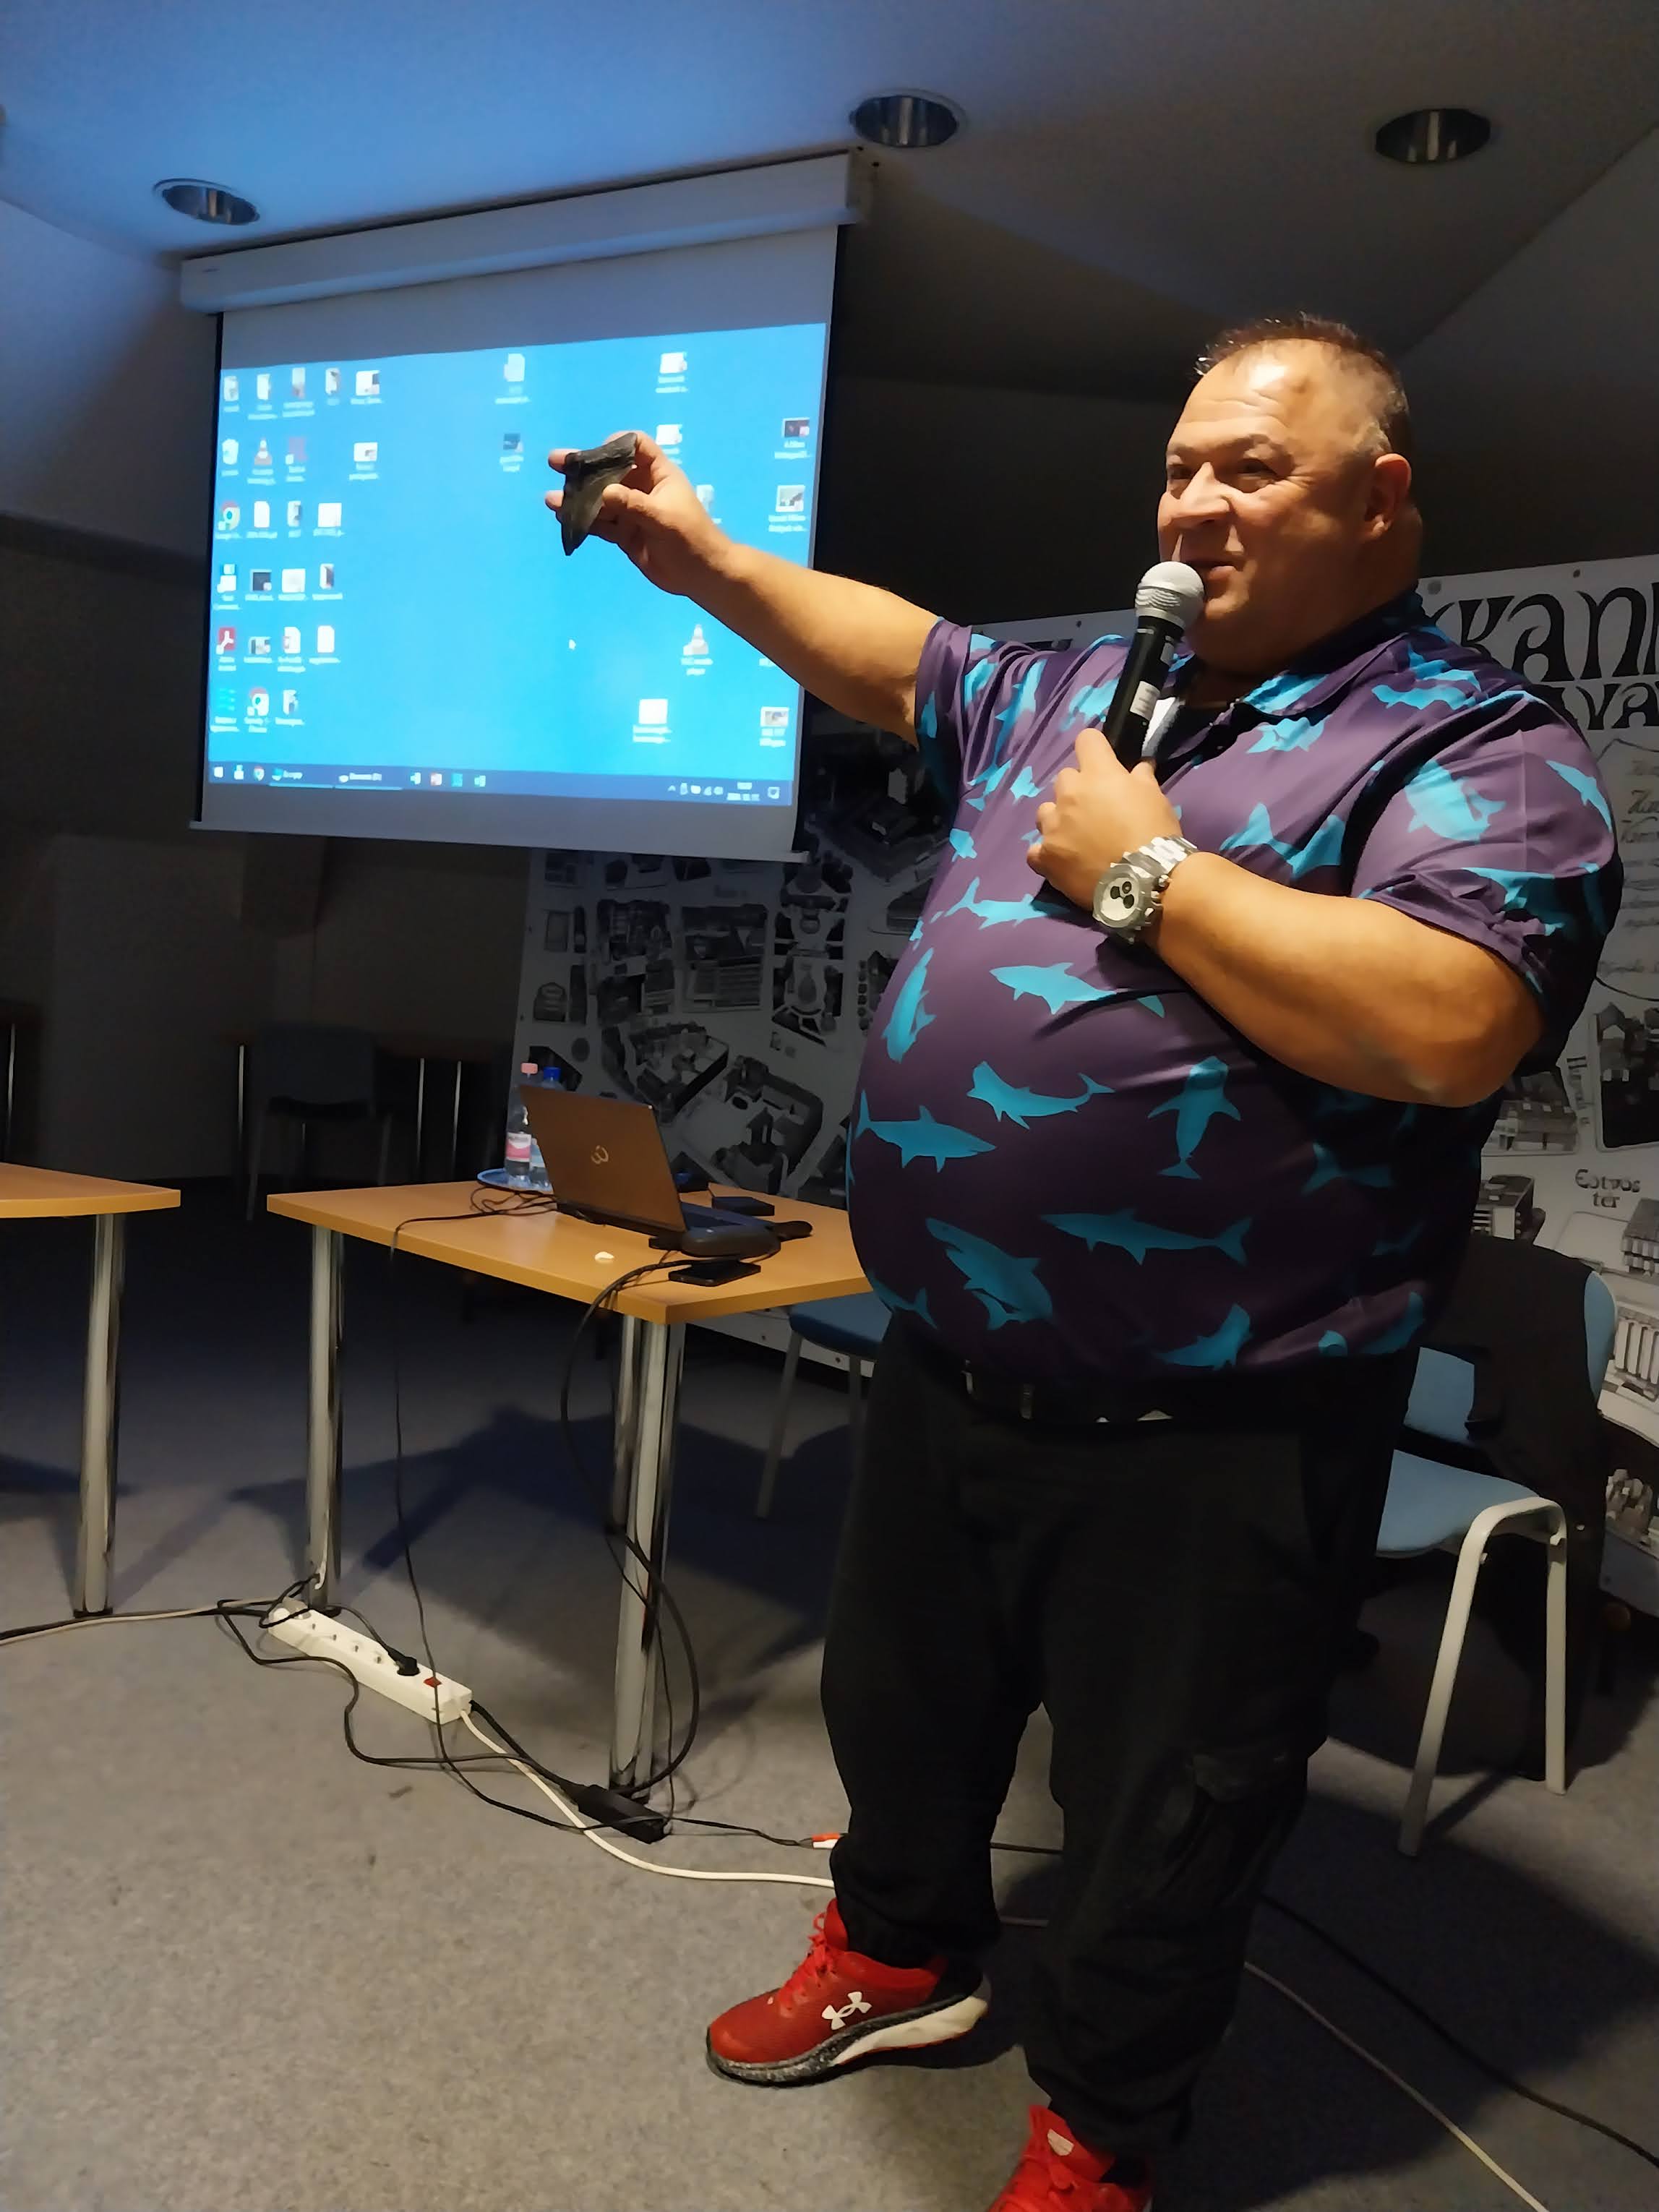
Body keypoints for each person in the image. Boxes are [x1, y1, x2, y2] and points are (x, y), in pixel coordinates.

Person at [545, 314, 1619, 2212]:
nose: (1194, 503)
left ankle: (1105, 2122)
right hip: (952, 1365)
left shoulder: (1473, 746)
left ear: (1381, 500)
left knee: (1163, 1814)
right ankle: (902, 1952)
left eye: (1252, 468)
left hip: (1225, 1429)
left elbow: (1454, 1024)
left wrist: (1150, 871)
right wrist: (696, 556)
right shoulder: (1079, 692)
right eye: (1181, 466)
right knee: (903, 1715)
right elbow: (900, 655)